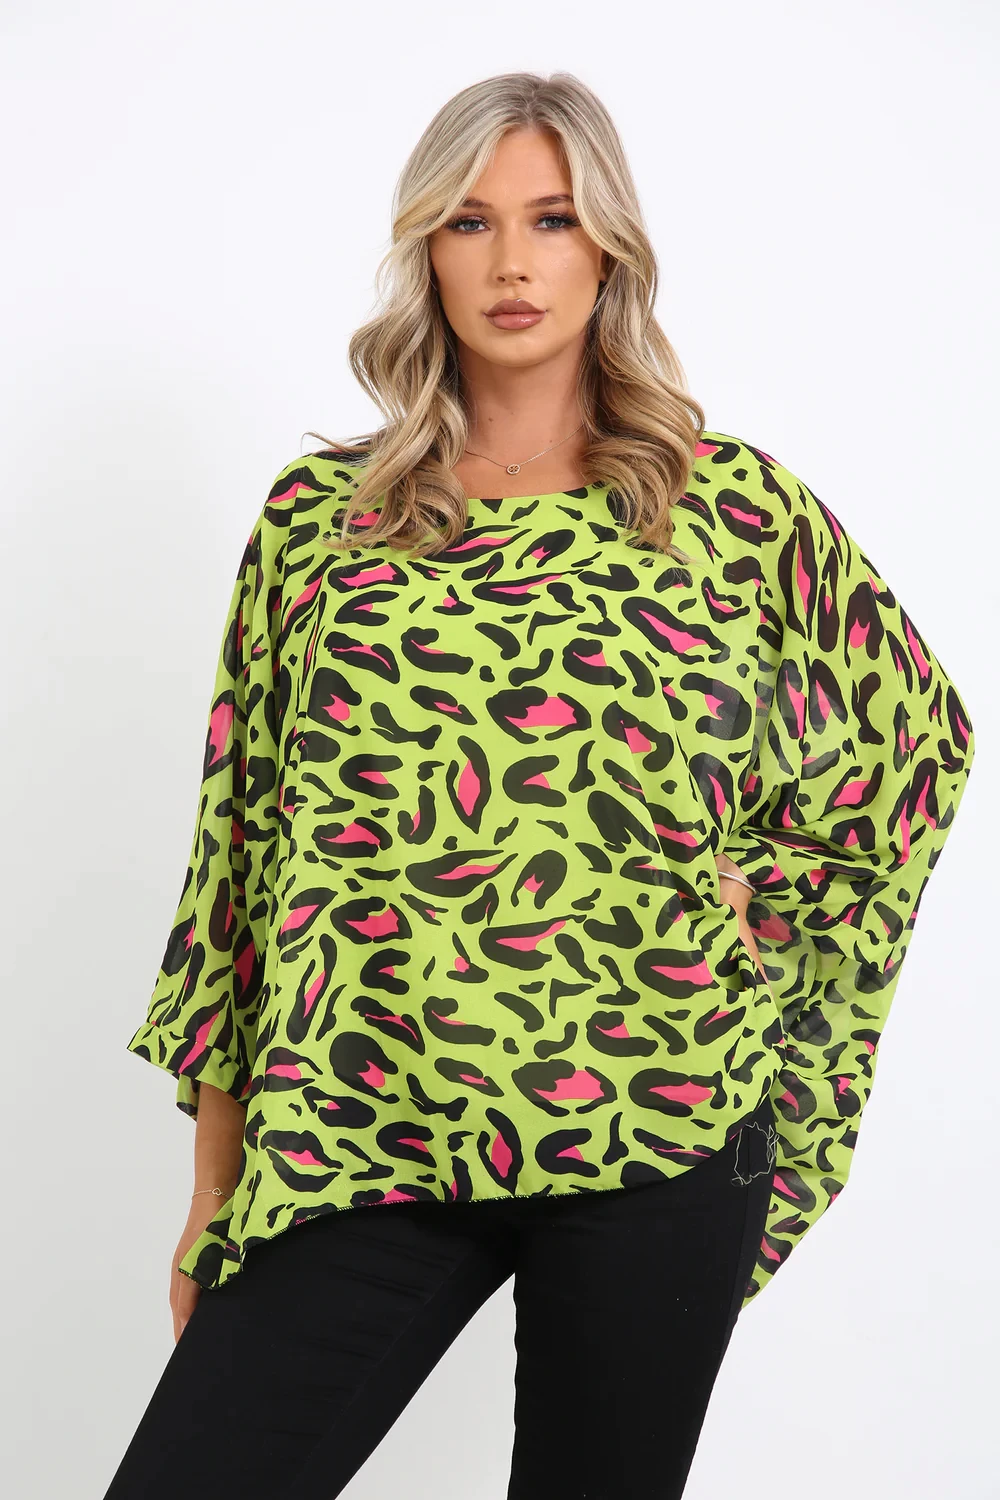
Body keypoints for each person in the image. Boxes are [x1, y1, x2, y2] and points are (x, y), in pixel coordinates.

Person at [104, 71, 974, 1500]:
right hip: (366, 1121)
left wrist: (762, 895)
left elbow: (915, 741)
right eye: (471, 221)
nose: (512, 260)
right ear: (427, 252)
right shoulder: (321, 525)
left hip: (655, 1117)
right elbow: (243, 860)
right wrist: (216, 1184)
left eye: (553, 219)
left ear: (609, 247)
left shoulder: (728, 511)